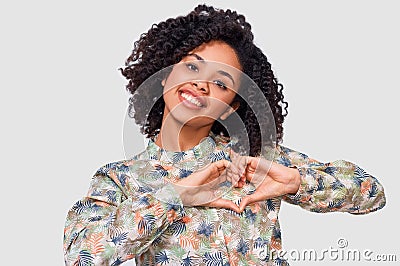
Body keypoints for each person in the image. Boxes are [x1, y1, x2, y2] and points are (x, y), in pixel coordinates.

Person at [63, 4, 386, 265]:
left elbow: (372, 193)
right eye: (192, 67)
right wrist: (173, 197)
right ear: (163, 75)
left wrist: (299, 183)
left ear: (232, 106)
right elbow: (80, 258)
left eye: (221, 82)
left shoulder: (256, 161)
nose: (201, 84)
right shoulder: (121, 178)